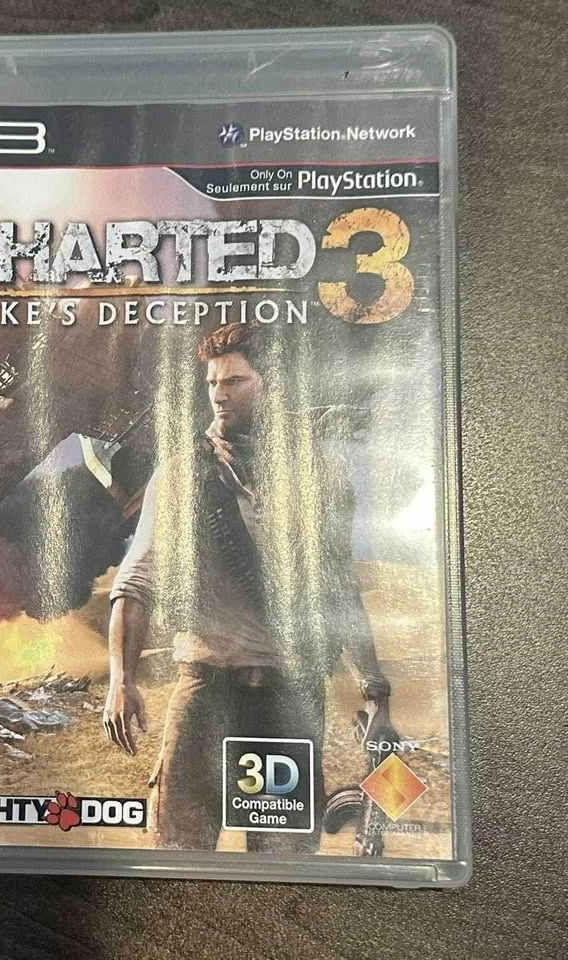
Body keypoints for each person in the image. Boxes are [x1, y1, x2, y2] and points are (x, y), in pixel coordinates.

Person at [102, 322, 393, 851]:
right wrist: (121, 680)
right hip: (206, 690)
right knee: (178, 849)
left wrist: (375, 693)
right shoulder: (184, 473)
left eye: (234, 381)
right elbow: (135, 582)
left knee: (287, 860)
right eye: (213, 382)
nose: (219, 394)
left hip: (288, 697)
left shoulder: (320, 475)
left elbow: (338, 588)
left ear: (270, 384)